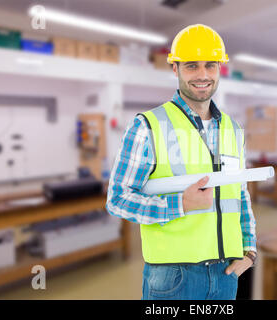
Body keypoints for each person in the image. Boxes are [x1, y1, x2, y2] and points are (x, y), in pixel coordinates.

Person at [106, 24, 257, 300]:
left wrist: (249, 249)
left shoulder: (234, 130)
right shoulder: (147, 126)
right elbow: (117, 199)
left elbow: (240, 193)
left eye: (210, 66)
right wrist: (181, 204)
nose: (202, 75)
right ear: (175, 69)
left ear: (219, 68)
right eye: (191, 66)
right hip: (173, 278)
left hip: (226, 275)